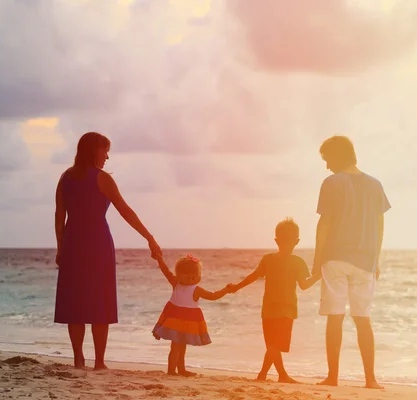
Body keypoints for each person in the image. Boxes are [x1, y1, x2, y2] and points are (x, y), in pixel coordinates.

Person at [54, 132, 162, 370]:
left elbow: (59, 216)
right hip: (97, 245)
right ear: (94, 150)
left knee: (76, 303)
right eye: (105, 151)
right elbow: (125, 211)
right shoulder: (101, 179)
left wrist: (61, 247)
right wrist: (149, 237)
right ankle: (99, 362)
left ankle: (78, 359)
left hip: (73, 244)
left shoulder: (65, 177)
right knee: (99, 303)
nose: (107, 156)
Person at [313, 135, 390, 389]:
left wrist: (316, 262)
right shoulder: (375, 184)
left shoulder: (332, 182)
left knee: (335, 316)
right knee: (362, 318)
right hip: (365, 260)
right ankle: (371, 379)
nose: (326, 166)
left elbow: (324, 224)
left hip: (335, 257)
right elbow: (380, 226)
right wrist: (376, 260)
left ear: (337, 156)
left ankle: (333, 377)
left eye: (327, 159)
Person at [228, 218, 320, 383]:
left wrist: (237, 286)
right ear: (297, 242)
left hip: (269, 309)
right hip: (286, 310)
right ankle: (263, 375)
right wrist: (319, 275)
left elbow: (253, 277)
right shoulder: (298, 262)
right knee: (275, 346)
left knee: (272, 345)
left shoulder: (268, 259)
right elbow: (305, 285)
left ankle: (281, 375)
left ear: (276, 240)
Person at [152, 254, 231, 376]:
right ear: (178, 274)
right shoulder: (176, 283)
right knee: (175, 347)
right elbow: (165, 270)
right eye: (187, 275)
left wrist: (226, 290)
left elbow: (213, 296)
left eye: (194, 275)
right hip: (175, 321)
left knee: (182, 346)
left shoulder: (196, 289)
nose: (190, 278)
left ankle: (181, 369)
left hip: (187, 322)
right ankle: (171, 371)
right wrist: (159, 258)